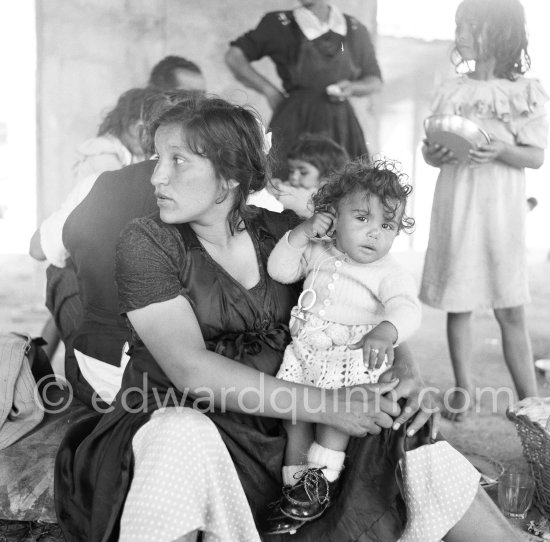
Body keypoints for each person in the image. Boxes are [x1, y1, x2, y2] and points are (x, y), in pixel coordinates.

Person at [55, 95, 521, 542]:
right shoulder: (148, 243)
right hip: (190, 414)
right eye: (158, 158)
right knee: (179, 439)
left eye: (178, 161)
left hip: (285, 428)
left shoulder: (282, 234)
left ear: (230, 175)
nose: (157, 177)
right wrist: (329, 405)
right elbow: (190, 369)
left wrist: (406, 373)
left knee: (398, 427)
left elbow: (364, 296)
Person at [266, 158, 421, 527]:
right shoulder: (319, 251)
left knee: (335, 418)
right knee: (295, 418)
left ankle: (320, 479)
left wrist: (387, 330)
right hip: (306, 352)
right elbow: (280, 270)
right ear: (333, 216)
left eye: (387, 225)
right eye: (362, 219)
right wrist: (302, 233)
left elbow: (407, 308)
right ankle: (296, 492)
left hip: (350, 357)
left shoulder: (389, 272)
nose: (374, 234)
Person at [420, 0, 548, 421]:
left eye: (473, 26)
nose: (462, 33)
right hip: (458, 207)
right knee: (460, 302)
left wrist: (503, 149)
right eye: (460, 25)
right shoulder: (451, 88)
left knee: (510, 306)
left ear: (503, 34)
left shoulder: (523, 91)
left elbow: (535, 157)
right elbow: (431, 150)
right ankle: (463, 386)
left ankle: (529, 396)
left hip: (500, 214)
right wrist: (435, 152)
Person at [29, 87, 161, 360]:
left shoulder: (124, 167)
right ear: (139, 129)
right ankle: (39, 361)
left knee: (66, 285)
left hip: (92, 257)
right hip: (82, 236)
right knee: (66, 278)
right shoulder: (105, 161)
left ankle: (48, 364)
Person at [225, 0, 382, 177]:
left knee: (345, 183)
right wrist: (269, 91)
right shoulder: (279, 23)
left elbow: (375, 79)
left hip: (341, 123)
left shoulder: (354, 28)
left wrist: (353, 88)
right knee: (287, 181)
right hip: (296, 119)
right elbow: (234, 57)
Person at [271, 133, 349, 217]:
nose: (294, 177)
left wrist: (277, 191)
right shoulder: (294, 186)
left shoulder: (321, 199)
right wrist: (274, 184)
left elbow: (303, 202)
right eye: (291, 171)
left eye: (303, 172)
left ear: (326, 178)